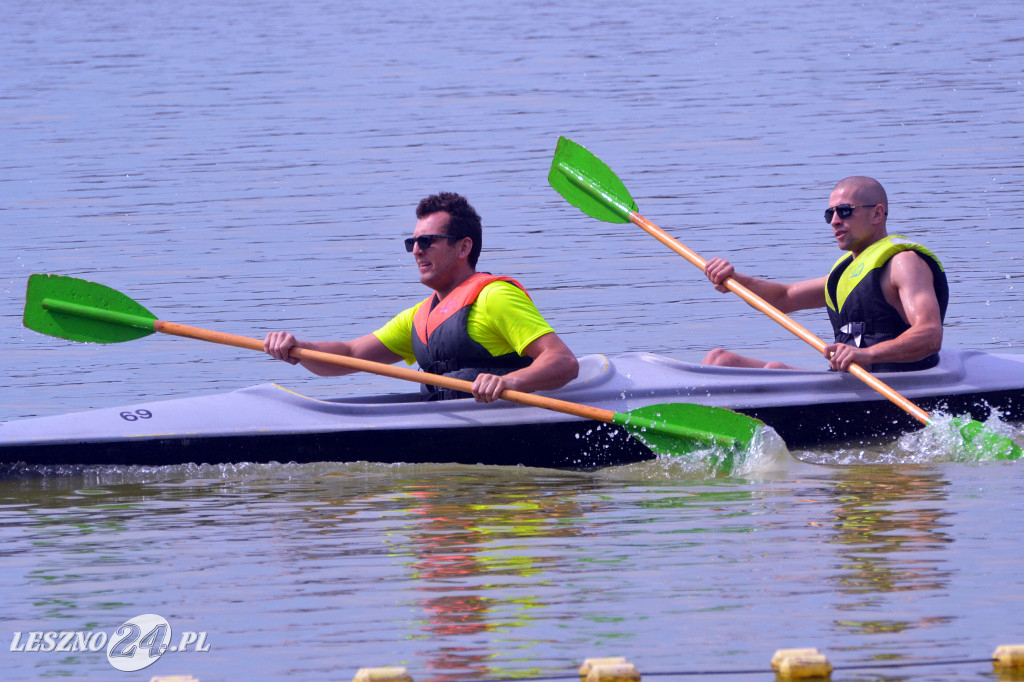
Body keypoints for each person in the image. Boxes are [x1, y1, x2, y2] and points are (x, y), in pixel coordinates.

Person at [264, 192, 579, 401]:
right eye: (412, 242)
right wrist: (299, 349)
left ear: (463, 247)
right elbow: (349, 353)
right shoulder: (419, 318)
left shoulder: (494, 297)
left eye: (428, 241)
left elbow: (562, 361)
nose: (416, 250)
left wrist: (512, 382)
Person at [702, 176, 948, 372]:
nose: (835, 221)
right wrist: (735, 280)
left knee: (769, 367)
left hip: (897, 387)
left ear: (877, 213)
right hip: (849, 384)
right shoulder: (845, 274)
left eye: (845, 211)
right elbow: (783, 298)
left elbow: (930, 334)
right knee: (719, 360)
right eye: (830, 214)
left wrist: (867, 354)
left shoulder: (904, 263)